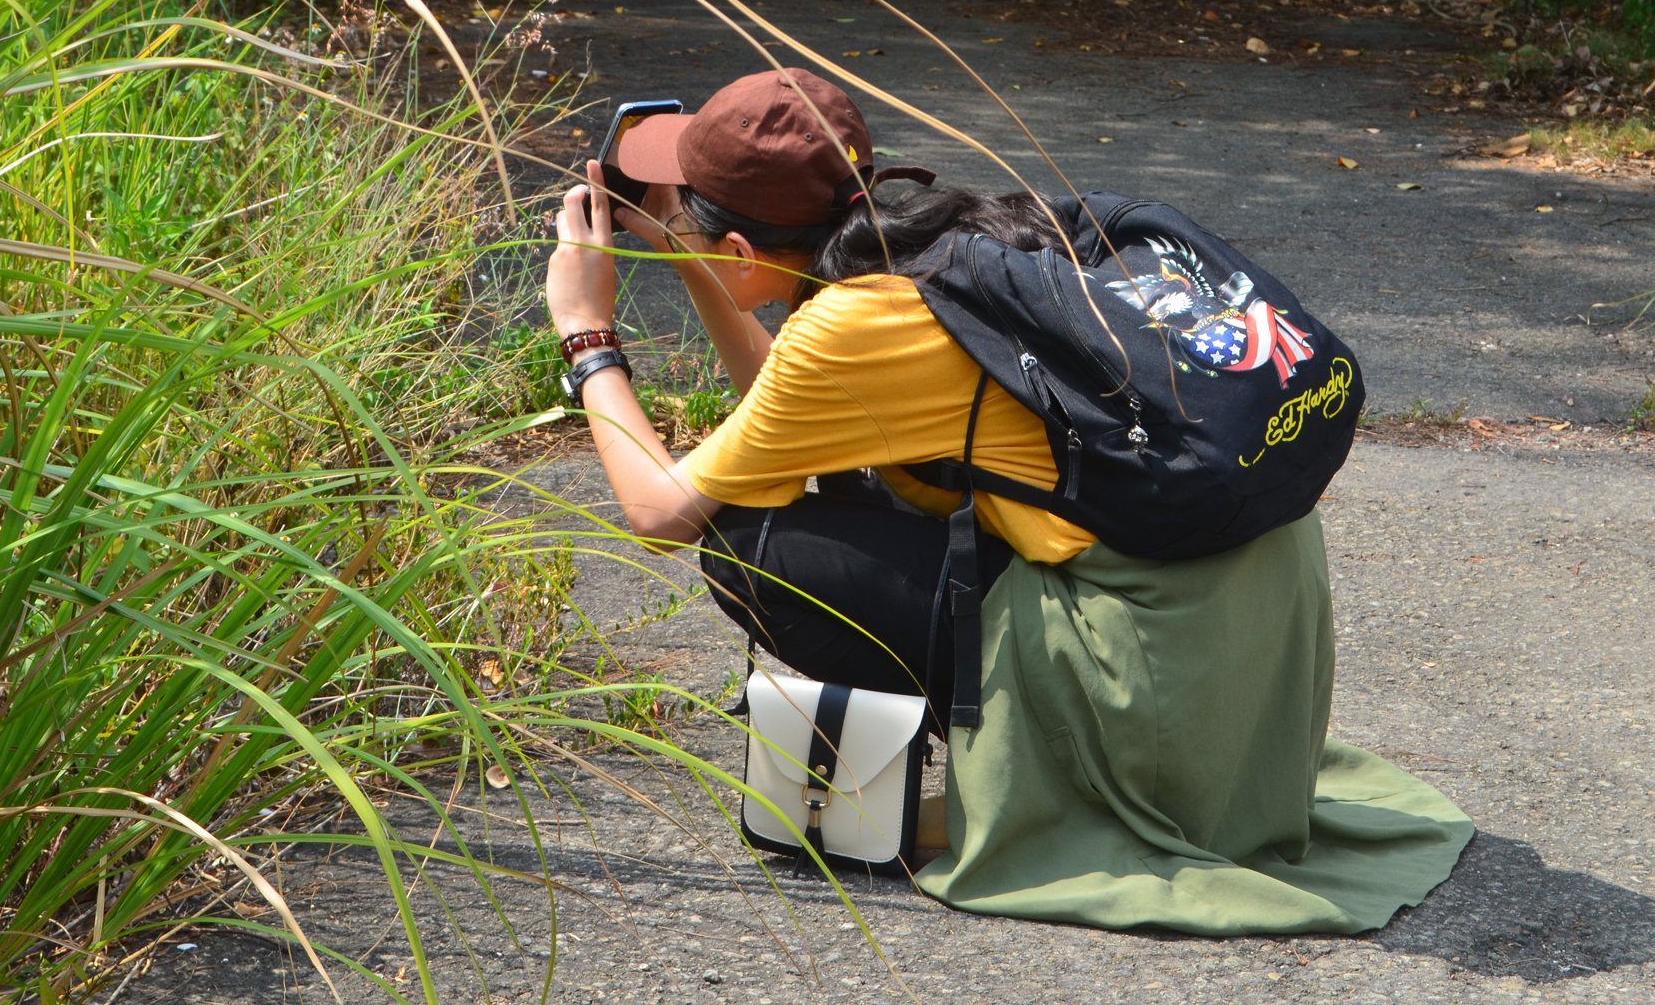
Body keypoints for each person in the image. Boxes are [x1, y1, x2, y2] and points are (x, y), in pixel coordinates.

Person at [544, 66, 1472, 935]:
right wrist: (701, 256)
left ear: (742, 248)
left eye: (701, 235)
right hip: (1241, 642)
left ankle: (992, 785)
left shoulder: (848, 328)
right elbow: (784, 414)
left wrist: (588, 334)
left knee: (754, 550)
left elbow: (661, 508)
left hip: (1146, 677)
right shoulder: (956, 240)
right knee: (826, 491)